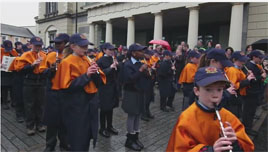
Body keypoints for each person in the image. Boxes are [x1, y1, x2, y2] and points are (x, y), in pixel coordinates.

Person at [166, 66, 255, 152]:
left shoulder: (229, 117)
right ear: (197, 91)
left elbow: (247, 146)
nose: (215, 96)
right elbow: (180, 148)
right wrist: (210, 150)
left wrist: (235, 143)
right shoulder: (186, 118)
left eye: (219, 90)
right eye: (208, 90)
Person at [51, 34, 106, 151]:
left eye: (86, 46)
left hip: (89, 103)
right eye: (82, 46)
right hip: (76, 105)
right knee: (77, 137)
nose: (86, 49)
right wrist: (86, 75)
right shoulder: (67, 62)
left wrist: (95, 72)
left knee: (87, 135)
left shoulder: (88, 59)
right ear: (73, 46)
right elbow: (66, 87)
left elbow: (98, 83)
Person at [39, 33, 70, 151]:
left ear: (66, 44)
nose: (56, 45)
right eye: (55, 43)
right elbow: (42, 71)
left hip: (66, 92)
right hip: (52, 91)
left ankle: (64, 143)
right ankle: (50, 145)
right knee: (52, 120)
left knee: (64, 120)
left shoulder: (71, 56)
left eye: (59, 43)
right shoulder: (51, 55)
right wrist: (50, 70)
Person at [15, 36, 47, 135]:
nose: (38, 47)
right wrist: (32, 65)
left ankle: (40, 124)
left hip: (41, 82)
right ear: (31, 45)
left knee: (40, 104)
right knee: (29, 105)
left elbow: (47, 68)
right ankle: (30, 126)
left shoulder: (44, 55)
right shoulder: (25, 55)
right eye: (36, 45)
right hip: (29, 82)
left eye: (40, 46)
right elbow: (20, 70)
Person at [121, 43, 148, 151]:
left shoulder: (139, 63)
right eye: (140, 51)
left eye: (142, 51)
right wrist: (141, 70)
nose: (142, 53)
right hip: (131, 93)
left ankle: (135, 138)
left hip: (140, 92)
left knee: (138, 115)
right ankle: (129, 140)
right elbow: (129, 79)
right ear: (133, 53)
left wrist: (148, 72)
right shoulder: (127, 64)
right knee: (132, 115)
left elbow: (143, 78)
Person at [96, 42, 119, 138]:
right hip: (104, 88)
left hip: (112, 87)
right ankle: (102, 128)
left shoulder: (113, 58)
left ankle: (109, 126)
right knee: (104, 109)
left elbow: (116, 73)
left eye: (113, 50)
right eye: (110, 50)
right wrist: (110, 68)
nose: (112, 51)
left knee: (110, 108)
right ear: (104, 50)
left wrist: (118, 66)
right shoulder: (100, 60)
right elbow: (99, 74)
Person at [242, 50, 266, 136]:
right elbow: (251, 80)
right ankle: (246, 128)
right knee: (248, 111)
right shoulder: (249, 66)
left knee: (252, 111)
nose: (260, 59)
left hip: (255, 91)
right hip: (251, 92)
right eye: (259, 58)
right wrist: (260, 77)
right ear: (254, 57)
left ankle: (249, 126)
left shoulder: (256, 66)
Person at [224, 51, 255, 118]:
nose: (243, 62)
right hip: (234, 99)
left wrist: (247, 76)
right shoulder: (232, 70)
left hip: (239, 97)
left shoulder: (239, 69)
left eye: (244, 60)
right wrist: (247, 80)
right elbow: (233, 86)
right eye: (241, 60)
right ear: (234, 60)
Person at [1, 40, 18, 110]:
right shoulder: (0, 51)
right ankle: (4, 102)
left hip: (12, 72)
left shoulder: (14, 51)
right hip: (3, 72)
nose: (8, 50)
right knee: (4, 88)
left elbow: (17, 60)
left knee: (13, 88)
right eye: (7, 49)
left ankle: (13, 102)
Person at [140, 49, 155, 121]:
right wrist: (151, 69)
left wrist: (153, 69)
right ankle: (143, 114)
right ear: (145, 54)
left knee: (149, 99)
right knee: (144, 99)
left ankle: (147, 111)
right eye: (149, 55)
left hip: (150, 83)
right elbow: (144, 73)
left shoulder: (149, 61)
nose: (151, 56)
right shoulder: (142, 61)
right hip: (144, 83)